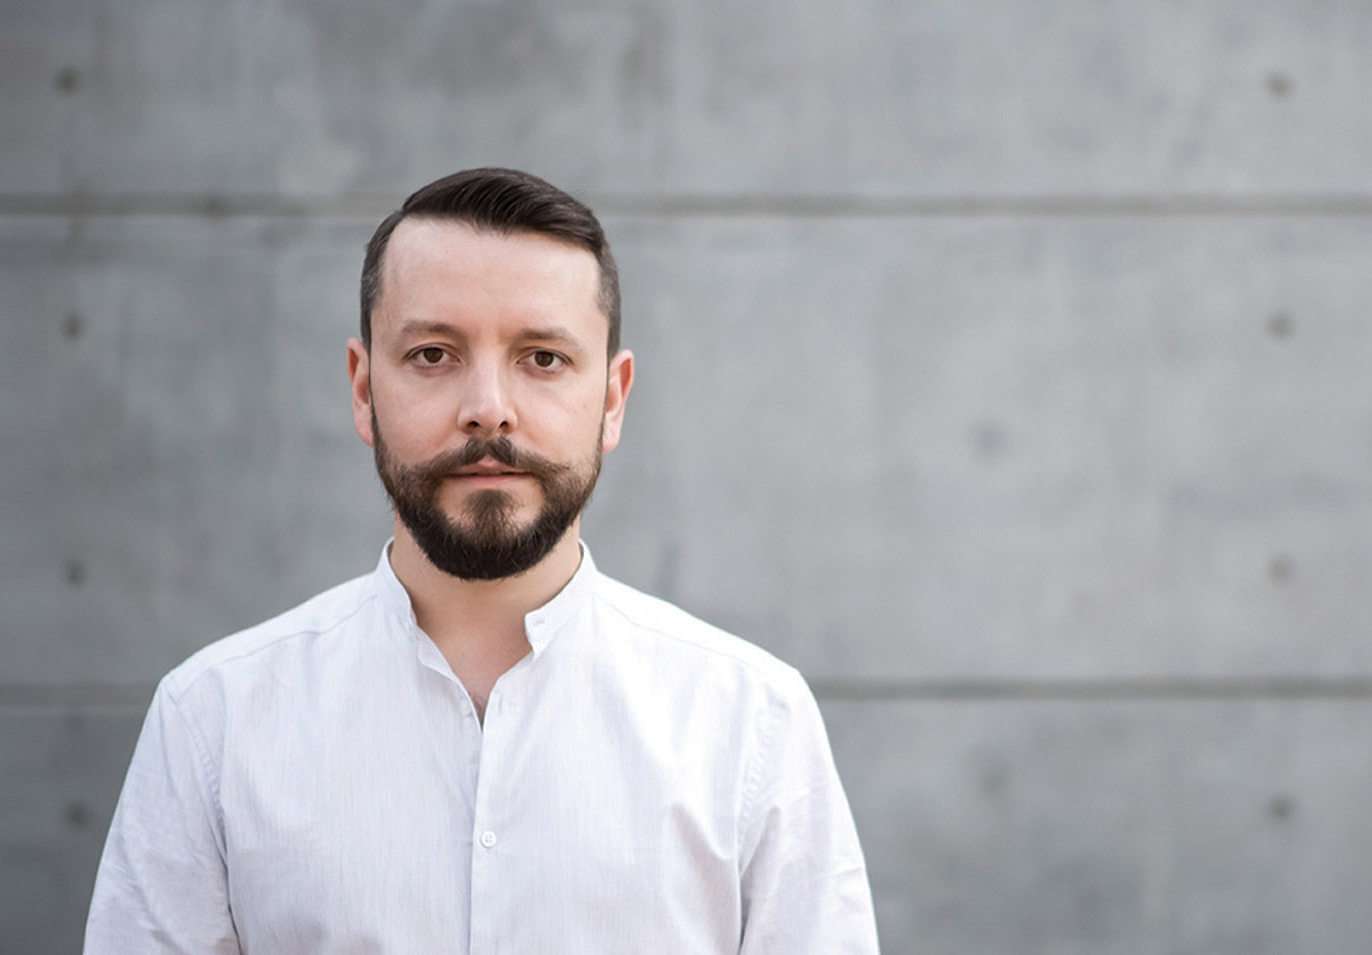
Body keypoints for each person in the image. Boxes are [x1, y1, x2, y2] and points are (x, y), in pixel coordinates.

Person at [83, 167, 880, 953]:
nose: (488, 409)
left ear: (611, 399)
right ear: (362, 389)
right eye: (433, 354)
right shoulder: (212, 723)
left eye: (543, 358)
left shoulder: (752, 724)